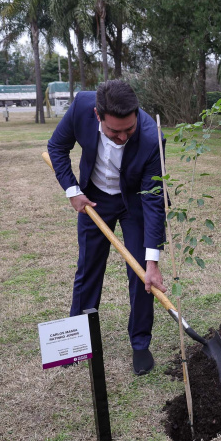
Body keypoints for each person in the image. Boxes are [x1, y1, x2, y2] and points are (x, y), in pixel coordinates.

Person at [47, 79, 167, 376]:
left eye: (129, 129)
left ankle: (140, 343)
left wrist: (153, 261)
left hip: (134, 202)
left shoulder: (152, 138)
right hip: (94, 198)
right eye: (115, 131)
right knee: (88, 268)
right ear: (98, 116)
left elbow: (153, 200)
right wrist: (72, 191)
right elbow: (56, 147)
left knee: (141, 272)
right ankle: (77, 341)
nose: (123, 136)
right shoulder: (80, 108)